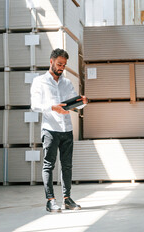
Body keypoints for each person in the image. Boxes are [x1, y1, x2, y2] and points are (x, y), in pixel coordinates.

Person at [30, 48, 88, 213]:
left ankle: (67, 199)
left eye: (64, 65)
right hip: (50, 129)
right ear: (51, 61)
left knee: (67, 166)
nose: (61, 67)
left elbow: (74, 103)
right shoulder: (39, 81)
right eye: (59, 64)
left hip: (66, 129)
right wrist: (53, 108)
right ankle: (50, 200)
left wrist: (83, 101)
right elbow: (34, 105)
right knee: (49, 165)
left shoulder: (67, 83)